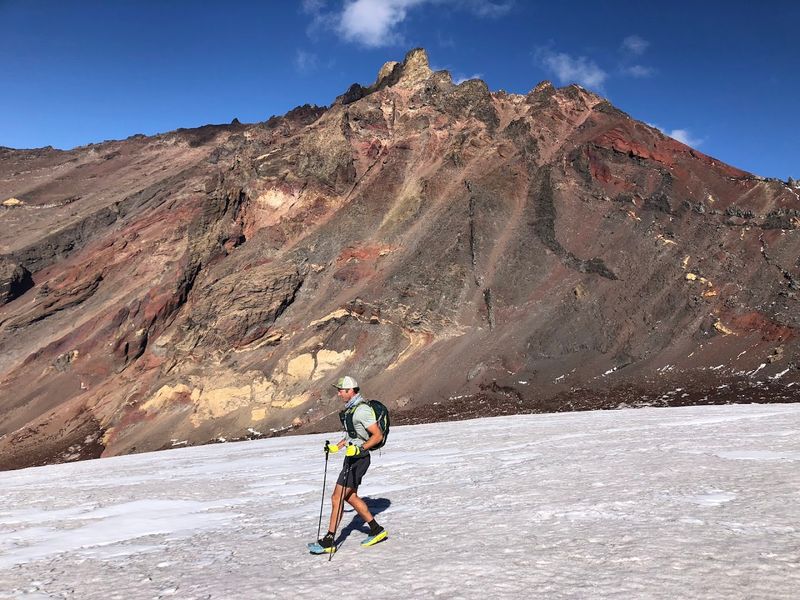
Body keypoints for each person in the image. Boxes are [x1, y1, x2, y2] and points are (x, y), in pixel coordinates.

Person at [316, 375, 387, 551]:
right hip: (352, 457)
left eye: (341, 390)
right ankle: (376, 530)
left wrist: (360, 449)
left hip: (359, 459)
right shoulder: (351, 409)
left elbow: (378, 435)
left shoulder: (362, 410)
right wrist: (336, 447)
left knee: (337, 498)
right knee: (350, 497)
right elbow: (350, 436)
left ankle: (329, 540)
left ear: (350, 391)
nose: (339, 393)